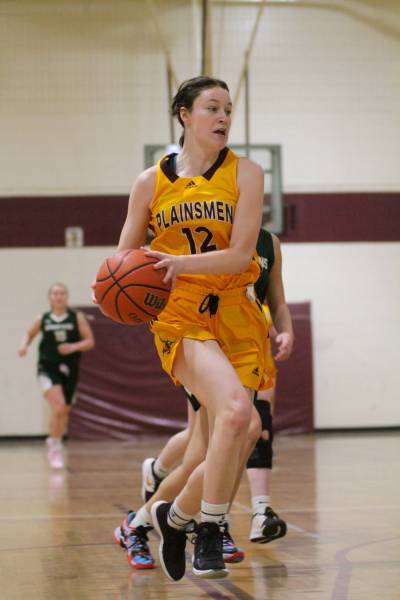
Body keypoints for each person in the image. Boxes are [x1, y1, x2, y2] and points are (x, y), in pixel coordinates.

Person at [108, 75, 275, 580]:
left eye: (228, 108)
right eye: (212, 108)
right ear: (184, 114)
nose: (223, 116)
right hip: (180, 315)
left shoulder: (247, 173)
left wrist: (182, 263)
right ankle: (209, 526)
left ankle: (172, 517)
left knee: (244, 429)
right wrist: (119, 283)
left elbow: (242, 254)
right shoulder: (150, 182)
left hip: (236, 311)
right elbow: (123, 256)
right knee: (233, 409)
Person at [114, 227, 293, 570]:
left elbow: (273, 297)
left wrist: (283, 329)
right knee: (223, 440)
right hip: (203, 340)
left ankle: (181, 518)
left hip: (245, 342)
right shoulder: (203, 226)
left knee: (227, 444)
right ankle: (147, 523)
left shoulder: (268, 243)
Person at [18, 282, 95, 468]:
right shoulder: (43, 318)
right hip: (47, 368)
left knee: (65, 411)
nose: (58, 296)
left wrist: (73, 347)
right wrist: (23, 345)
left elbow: (89, 341)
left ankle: (56, 440)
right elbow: (29, 333)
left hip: (69, 369)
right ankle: (53, 445)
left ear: (67, 297)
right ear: (50, 298)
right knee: (59, 406)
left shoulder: (76, 317)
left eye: (62, 293)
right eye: (55, 293)